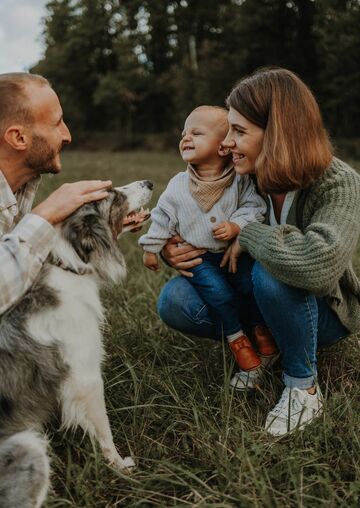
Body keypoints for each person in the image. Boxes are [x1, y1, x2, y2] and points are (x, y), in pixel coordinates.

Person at [156, 68, 360, 436]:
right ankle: (266, 345)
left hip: (321, 312)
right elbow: (197, 214)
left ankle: (303, 386)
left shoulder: (338, 182)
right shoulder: (245, 175)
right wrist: (174, 247)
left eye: (239, 131)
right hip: (256, 301)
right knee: (175, 300)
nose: (227, 143)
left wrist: (249, 232)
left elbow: (317, 265)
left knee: (271, 270)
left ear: (278, 133)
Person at [139, 105, 277, 372]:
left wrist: (237, 225)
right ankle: (238, 341)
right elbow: (161, 217)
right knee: (218, 293)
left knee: (251, 286)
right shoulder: (178, 185)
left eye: (196, 133)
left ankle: (263, 332)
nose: (185, 138)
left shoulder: (239, 180)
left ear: (223, 147)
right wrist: (151, 248)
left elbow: (254, 207)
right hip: (201, 259)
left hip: (237, 254)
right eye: (183, 133)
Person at [0, 72, 112, 316]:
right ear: (18, 137)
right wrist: (43, 217)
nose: (68, 135)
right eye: (57, 123)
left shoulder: (17, 188)